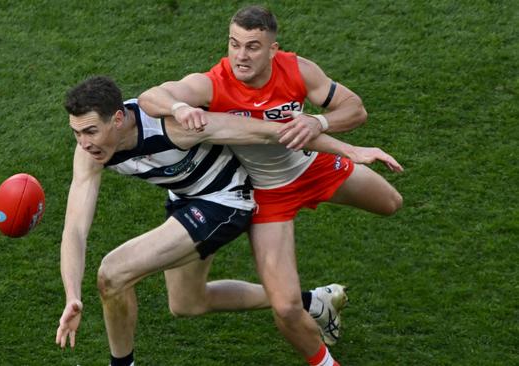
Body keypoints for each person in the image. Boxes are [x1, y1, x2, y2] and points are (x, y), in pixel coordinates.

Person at [55, 76, 402, 366]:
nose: (83, 144)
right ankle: (313, 302)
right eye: (76, 134)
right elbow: (75, 228)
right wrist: (72, 295)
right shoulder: (90, 153)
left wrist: (350, 151)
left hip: (227, 201)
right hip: (188, 200)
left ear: (118, 119)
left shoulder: (175, 126)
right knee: (187, 303)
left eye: (90, 132)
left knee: (112, 273)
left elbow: (268, 131)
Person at [138, 5, 404, 365]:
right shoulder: (214, 83)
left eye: (252, 46)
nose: (240, 56)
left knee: (391, 203)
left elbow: (355, 109)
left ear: (273, 50)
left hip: (315, 167)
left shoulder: (297, 68)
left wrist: (319, 123)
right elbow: (150, 97)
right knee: (285, 306)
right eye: (234, 44)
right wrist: (180, 107)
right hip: (267, 196)